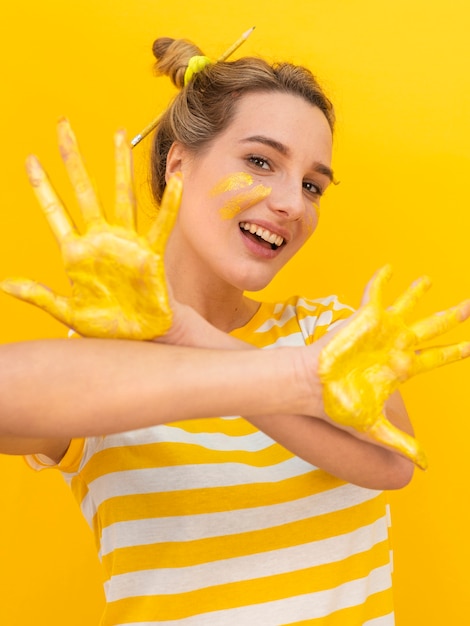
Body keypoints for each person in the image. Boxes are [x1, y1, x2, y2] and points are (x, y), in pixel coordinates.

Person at [1, 34, 469, 625]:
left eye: (312, 186)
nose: (292, 205)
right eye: (259, 161)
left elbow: (393, 464)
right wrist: (266, 373)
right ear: (178, 165)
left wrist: (193, 337)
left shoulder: (330, 334)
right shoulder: (105, 358)